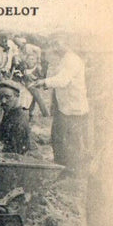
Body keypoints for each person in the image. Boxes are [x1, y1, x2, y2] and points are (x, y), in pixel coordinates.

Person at [37, 41, 89, 175]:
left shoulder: (72, 60)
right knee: (58, 138)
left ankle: (72, 171)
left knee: (70, 142)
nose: (55, 48)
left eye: (58, 44)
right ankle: (61, 168)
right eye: (54, 45)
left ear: (67, 43)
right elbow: (55, 76)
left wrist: (44, 82)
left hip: (74, 109)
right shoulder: (64, 59)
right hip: (64, 107)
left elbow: (62, 80)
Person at [0, 81, 32, 154]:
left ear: (17, 96)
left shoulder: (19, 120)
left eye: (7, 97)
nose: (3, 101)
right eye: (1, 97)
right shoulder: (9, 112)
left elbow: (16, 152)